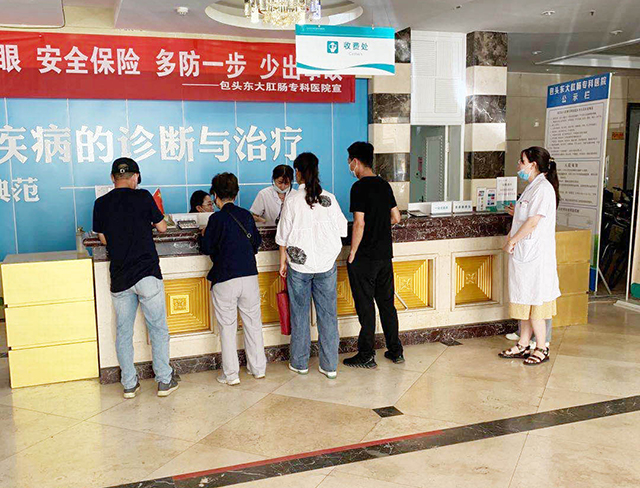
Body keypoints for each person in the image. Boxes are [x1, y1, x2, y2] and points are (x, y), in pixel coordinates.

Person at [93, 157, 179, 399]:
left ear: (112, 178)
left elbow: (103, 238)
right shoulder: (143, 197)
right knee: (158, 329)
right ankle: (164, 381)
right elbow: (162, 227)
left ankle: (129, 384)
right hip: (147, 273)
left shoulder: (100, 203)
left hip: (121, 276)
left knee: (124, 332)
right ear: (135, 177)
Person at [276, 152, 348, 379]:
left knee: (299, 314)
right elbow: (342, 229)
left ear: (298, 172)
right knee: (328, 315)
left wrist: (282, 261)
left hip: (299, 267)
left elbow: (283, 236)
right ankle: (330, 365)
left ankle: (300, 363)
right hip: (326, 265)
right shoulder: (329, 199)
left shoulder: (292, 200)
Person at [342, 142, 404, 369]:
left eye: (349, 161)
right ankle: (395, 351)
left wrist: (353, 252)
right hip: (384, 256)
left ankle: (366, 354)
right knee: (387, 305)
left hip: (365, 258)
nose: (349, 166)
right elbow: (396, 217)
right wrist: (379, 224)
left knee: (366, 307)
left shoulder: (358, 188)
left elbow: (359, 223)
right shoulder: (384, 185)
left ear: (356, 161)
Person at [200, 172, 267, 385]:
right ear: (236, 194)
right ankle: (258, 369)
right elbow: (256, 243)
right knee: (253, 323)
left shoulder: (216, 219)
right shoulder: (246, 216)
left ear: (215, 195)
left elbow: (207, 247)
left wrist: (203, 235)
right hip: (249, 276)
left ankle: (231, 375)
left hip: (225, 278)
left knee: (227, 328)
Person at [499, 147, 561, 365]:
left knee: (536, 304)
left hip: (536, 258)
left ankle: (542, 347)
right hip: (525, 256)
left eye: (522, 161)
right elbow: (522, 218)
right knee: (524, 302)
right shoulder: (531, 188)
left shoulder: (543, 189)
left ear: (533, 165)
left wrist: (512, 241)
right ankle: (523, 344)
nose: (518, 165)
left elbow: (533, 222)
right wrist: (512, 237)